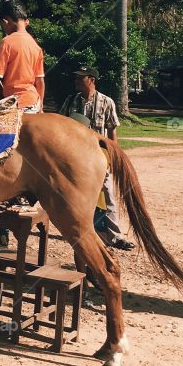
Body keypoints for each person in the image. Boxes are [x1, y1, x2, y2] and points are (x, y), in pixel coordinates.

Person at [61, 64, 134, 250]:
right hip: (75, 156)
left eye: (81, 78)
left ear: (91, 80)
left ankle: (115, 236)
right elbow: (60, 126)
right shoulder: (71, 101)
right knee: (77, 196)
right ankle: (81, 231)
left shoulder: (107, 102)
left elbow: (112, 130)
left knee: (107, 194)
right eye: (77, 78)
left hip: (98, 156)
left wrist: (112, 155)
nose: (77, 81)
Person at [0, 0, 45, 111]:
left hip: (16, 102)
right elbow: (40, 81)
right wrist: (40, 106)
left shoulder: (7, 42)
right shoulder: (35, 46)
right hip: (34, 102)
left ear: (6, 21)